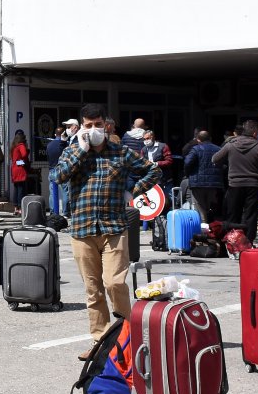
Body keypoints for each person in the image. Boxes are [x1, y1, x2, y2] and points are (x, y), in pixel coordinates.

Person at [53, 104, 160, 361]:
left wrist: (133, 192)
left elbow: (153, 170)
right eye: (88, 125)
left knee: (114, 282)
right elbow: (58, 176)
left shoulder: (121, 152)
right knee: (93, 289)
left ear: (106, 125)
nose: (93, 130)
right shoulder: (73, 151)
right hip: (82, 228)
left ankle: (127, 336)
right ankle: (100, 340)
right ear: (81, 126)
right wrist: (81, 149)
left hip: (114, 227)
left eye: (97, 124)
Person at [213, 120, 258, 244]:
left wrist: (227, 164)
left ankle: (232, 243)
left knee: (233, 215)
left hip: (235, 185)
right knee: (250, 216)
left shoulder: (230, 145)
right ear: (255, 133)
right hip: (254, 186)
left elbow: (215, 159)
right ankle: (247, 243)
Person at [182, 131, 223, 223]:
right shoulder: (218, 149)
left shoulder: (195, 149)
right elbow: (224, 164)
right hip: (214, 183)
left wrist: (188, 174)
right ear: (210, 138)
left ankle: (203, 229)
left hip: (197, 183)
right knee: (211, 207)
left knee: (199, 207)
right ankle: (213, 227)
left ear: (198, 140)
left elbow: (187, 162)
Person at [47, 121, 75, 216]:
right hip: (63, 169)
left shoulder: (49, 145)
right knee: (65, 191)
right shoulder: (66, 144)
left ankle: (53, 211)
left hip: (52, 169)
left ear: (55, 134)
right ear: (64, 133)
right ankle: (66, 212)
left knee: (52, 192)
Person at [9, 129, 29, 211]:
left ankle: (15, 208)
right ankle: (20, 208)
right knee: (21, 189)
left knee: (16, 188)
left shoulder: (13, 146)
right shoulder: (21, 145)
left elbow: (13, 158)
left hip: (14, 168)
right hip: (20, 168)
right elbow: (24, 154)